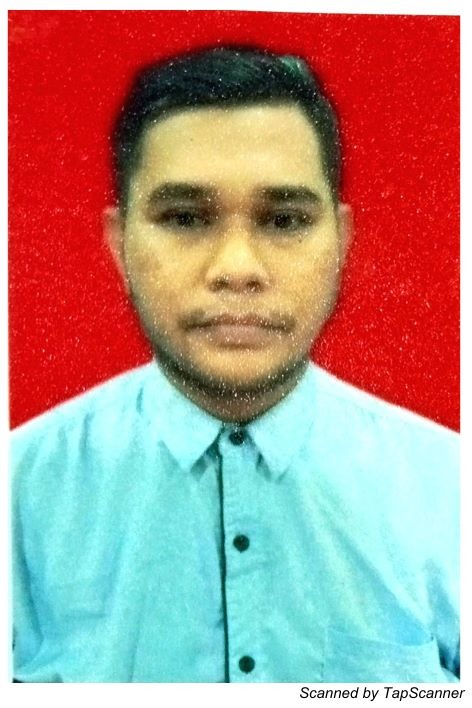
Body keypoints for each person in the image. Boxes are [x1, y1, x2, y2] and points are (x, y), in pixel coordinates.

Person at [11, 45, 459, 683]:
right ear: (120, 245)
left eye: (285, 220)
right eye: (185, 218)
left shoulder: (451, 489)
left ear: (341, 242)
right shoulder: (18, 493)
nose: (237, 269)